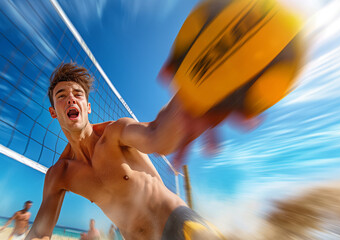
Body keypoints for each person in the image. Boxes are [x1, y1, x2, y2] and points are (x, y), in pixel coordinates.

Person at [25, 63, 223, 240]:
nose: (70, 99)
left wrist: (189, 99)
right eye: (61, 96)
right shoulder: (60, 174)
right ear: (53, 112)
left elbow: (156, 135)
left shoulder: (116, 132)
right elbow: (39, 233)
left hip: (178, 226)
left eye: (78, 94)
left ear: (88, 107)